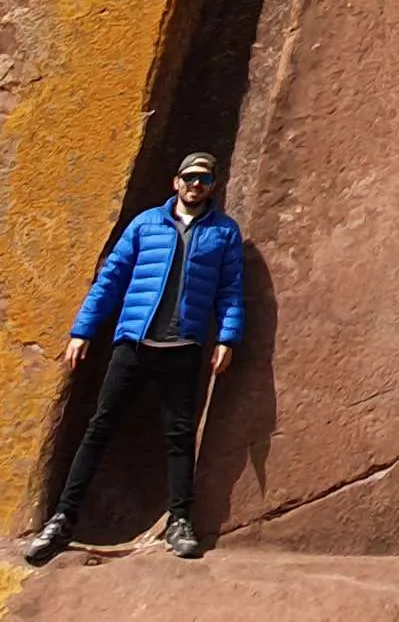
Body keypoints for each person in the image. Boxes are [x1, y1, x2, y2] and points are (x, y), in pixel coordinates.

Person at [23, 152, 248, 565]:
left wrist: (228, 337)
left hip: (183, 347)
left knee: (179, 437)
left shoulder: (224, 232)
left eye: (204, 179)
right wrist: (83, 330)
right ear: (175, 181)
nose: (196, 185)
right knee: (99, 430)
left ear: (214, 186)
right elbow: (112, 278)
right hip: (134, 344)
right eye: (190, 178)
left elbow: (231, 289)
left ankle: (179, 522)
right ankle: (61, 519)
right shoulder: (145, 224)